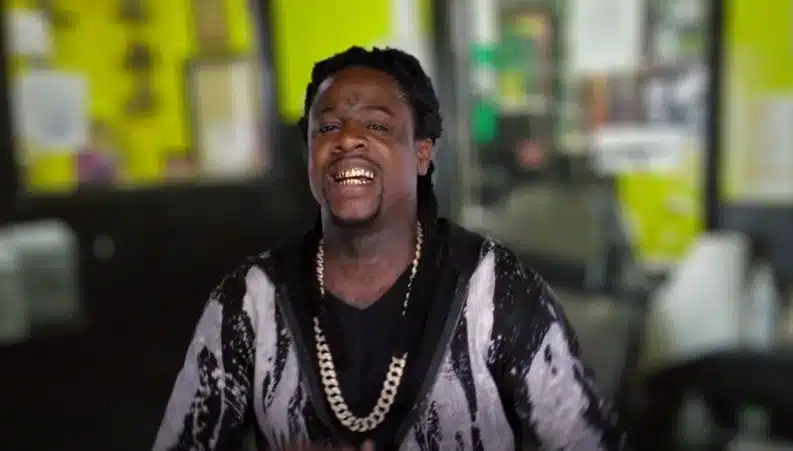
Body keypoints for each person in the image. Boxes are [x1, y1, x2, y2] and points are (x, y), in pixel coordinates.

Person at [153, 46, 627, 451]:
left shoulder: (494, 290)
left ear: (421, 154)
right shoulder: (248, 302)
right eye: (327, 127)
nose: (347, 140)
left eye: (377, 126)